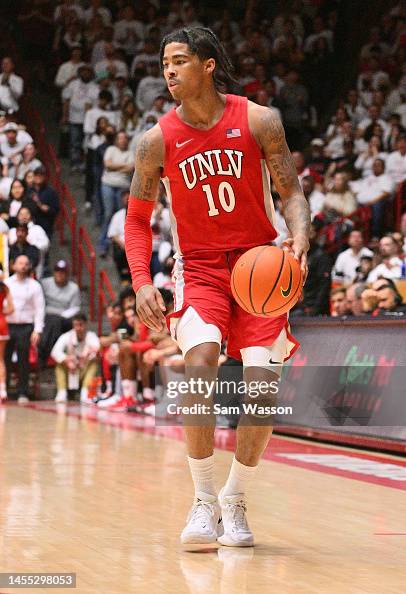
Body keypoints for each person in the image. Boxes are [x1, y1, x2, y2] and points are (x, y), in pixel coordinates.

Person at [124, 27, 310, 547]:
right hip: (201, 267)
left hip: (260, 264)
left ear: (207, 65)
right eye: (164, 64)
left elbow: (291, 191)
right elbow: (137, 221)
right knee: (201, 358)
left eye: (179, 61)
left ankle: (236, 498)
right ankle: (204, 498)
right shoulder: (155, 140)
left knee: (260, 384)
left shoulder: (258, 119)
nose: (169, 72)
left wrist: (301, 237)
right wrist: (142, 281)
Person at [5, 255, 45, 403]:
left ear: (29, 266)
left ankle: (23, 392)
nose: (23, 266)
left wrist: (37, 329)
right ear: (13, 265)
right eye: (20, 263)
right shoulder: (6, 283)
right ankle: (4, 389)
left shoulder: (34, 285)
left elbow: (39, 309)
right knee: (4, 359)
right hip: (8, 325)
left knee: (23, 360)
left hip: (26, 326)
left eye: (26, 263)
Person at [38, 260, 81, 367]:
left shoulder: (73, 288)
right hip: (46, 314)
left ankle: (44, 353)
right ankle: (49, 354)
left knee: (56, 322)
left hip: (64, 317)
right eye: (57, 271)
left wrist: (61, 316)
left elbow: (75, 308)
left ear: (67, 274)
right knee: (52, 322)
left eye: (63, 272)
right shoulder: (45, 283)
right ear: (54, 272)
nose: (60, 274)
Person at [51, 312, 100, 403]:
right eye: (76, 325)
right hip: (70, 369)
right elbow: (55, 352)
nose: (78, 328)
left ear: (86, 325)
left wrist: (85, 357)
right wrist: (67, 359)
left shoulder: (91, 336)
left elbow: (97, 349)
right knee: (59, 365)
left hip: (83, 369)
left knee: (94, 364)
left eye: (80, 325)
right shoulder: (66, 336)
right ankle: (62, 392)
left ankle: (86, 392)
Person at [0, 264, 14, 401]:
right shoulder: (5, 287)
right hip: (2, 323)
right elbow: (11, 309)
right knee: (1, 359)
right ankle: (2, 390)